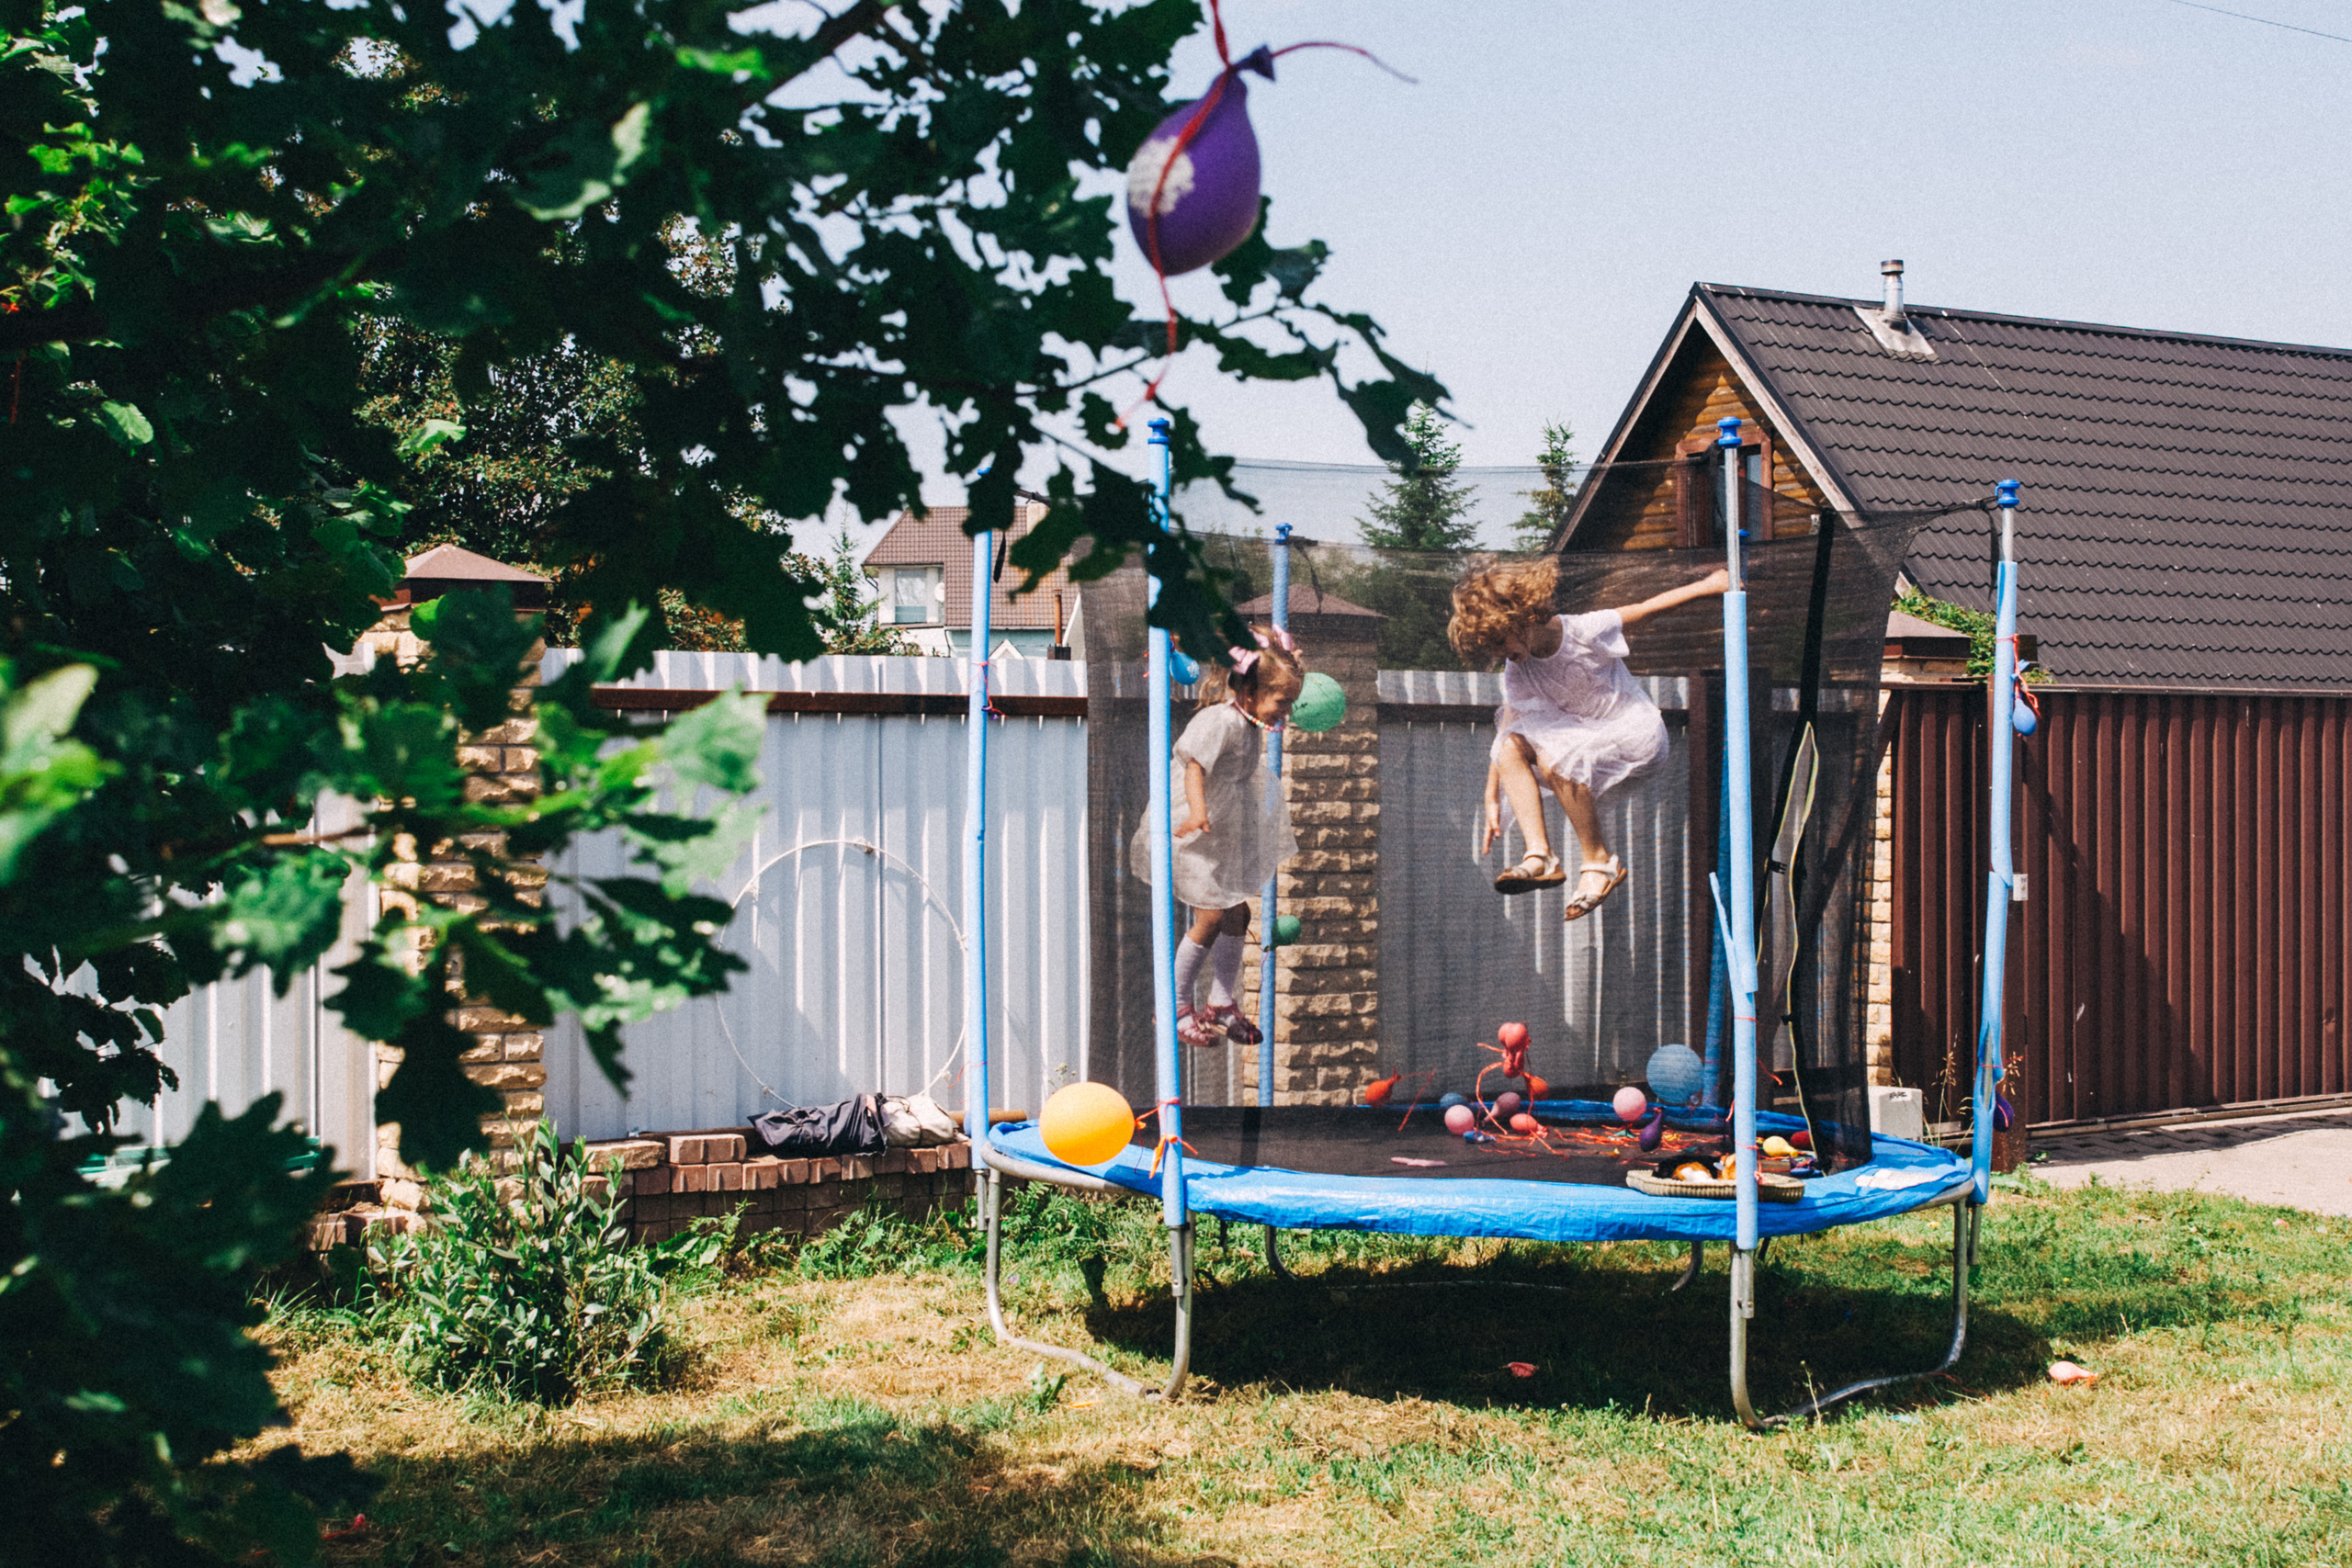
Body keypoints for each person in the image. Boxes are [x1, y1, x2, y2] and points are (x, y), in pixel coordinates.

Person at [1448, 557, 1730, 920]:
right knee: (1512, 745)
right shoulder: (1518, 668)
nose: (1503, 655)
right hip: (1584, 741)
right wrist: (1492, 791)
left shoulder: (1583, 631)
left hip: (1637, 734)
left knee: (1555, 755)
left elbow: (1645, 609)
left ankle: (1599, 862)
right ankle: (1540, 855)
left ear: (1522, 617)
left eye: (1502, 642)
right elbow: (1510, 728)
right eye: (1494, 651)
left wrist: (1710, 585)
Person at [1130, 626, 1304, 1046]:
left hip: (1218, 835)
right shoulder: (1219, 722)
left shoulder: (1248, 724)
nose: (1286, 711)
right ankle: (1174, 1008)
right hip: (1189, 832)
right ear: (1247, 691)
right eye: (1282, 701)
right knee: (1209, 917)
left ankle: (1221, 1004)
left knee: (1237, 914)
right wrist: (1200, 813)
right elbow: (1194, 768)